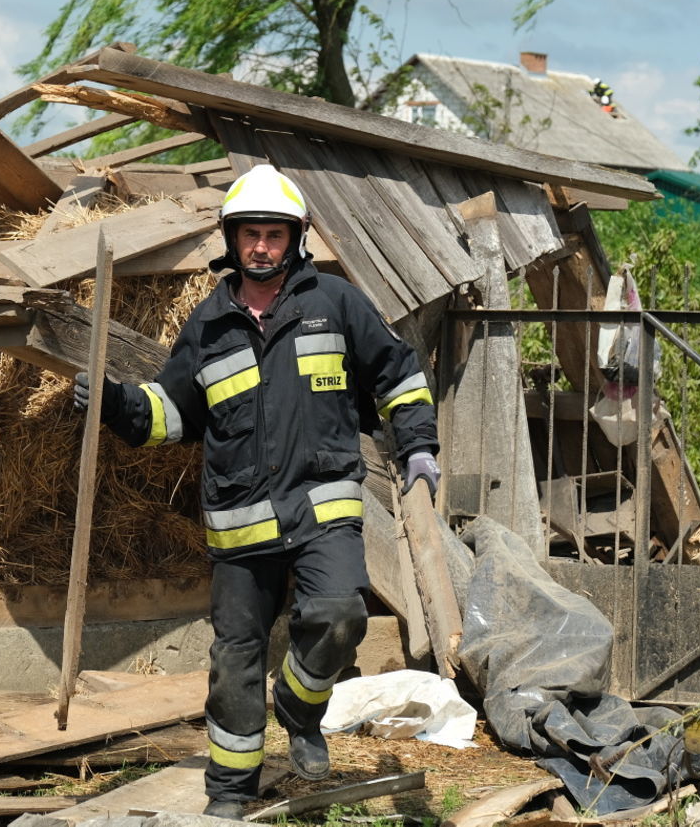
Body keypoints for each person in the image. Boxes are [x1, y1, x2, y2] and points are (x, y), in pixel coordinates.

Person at [73, 164, 440, 817]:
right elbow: (174, 412)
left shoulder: (335, 304)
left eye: (275, 233)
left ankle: (299, 703)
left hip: (323, 508)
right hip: (240, 525)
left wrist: (417, 445)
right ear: (233, 240)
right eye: (252, 234)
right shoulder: (208, 325)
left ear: (295, 238)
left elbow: (397, 372)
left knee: (342, 616)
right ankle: (230, 794)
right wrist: (115, 403)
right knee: (236, 661)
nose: (263, 246)